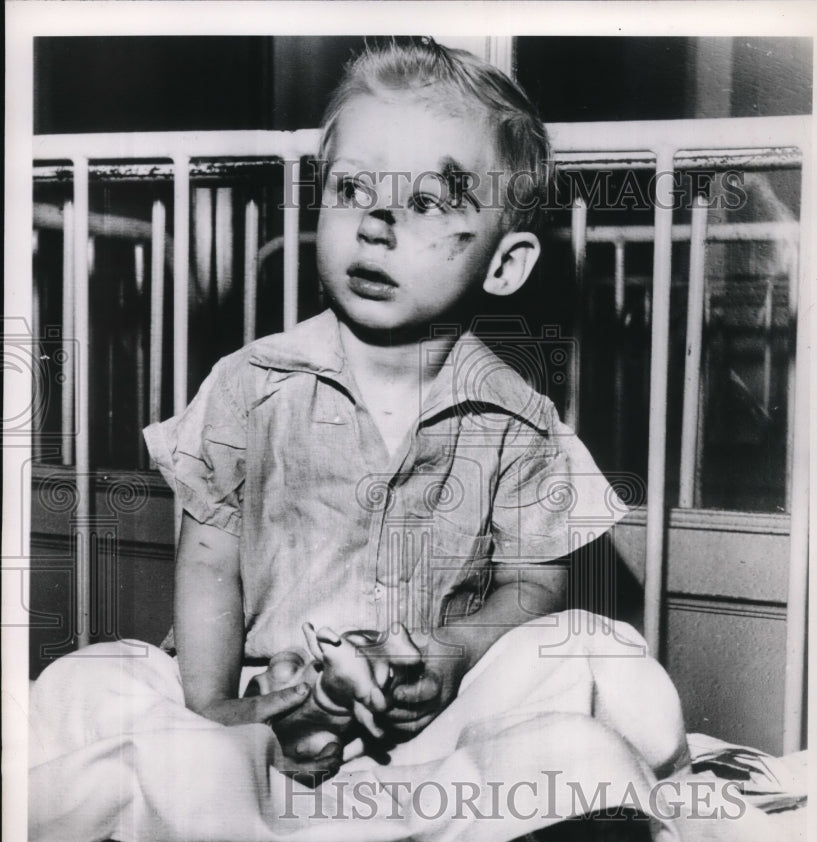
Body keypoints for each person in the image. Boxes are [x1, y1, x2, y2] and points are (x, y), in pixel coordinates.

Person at [144, 39, 685, 787]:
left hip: (432, 716)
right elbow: (208, 560)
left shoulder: (519, 421)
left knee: (600, 655)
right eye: (351, 188)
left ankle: (525, 790)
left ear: (504, 264)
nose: (375, 222)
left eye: (427, 202)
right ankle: (260, 761)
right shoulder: (250, 384)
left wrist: (454, 654)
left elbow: (534, 584)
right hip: (264, 697)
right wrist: (213, 706)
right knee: (90, 682)